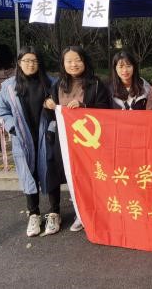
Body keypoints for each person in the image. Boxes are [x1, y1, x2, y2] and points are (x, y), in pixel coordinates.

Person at [44, 46, 113, 232]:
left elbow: (105, 109)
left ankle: (87, 213)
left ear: (85, 62)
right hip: (64, 140)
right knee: (68, 175)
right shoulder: (57, 85)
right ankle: (70, 211)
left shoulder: (96, 84)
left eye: (77, 60)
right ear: (63, 64)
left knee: (88, 177)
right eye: (69, 61)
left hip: (88, 141)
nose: (73, 64)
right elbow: (52, 115)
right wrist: (48, 105)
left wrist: (84, 106)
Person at [0, 46, 57, 237]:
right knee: (28, 175)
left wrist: (53, 121)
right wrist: (13, 127)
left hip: (47, 136)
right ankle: (34, 214)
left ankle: (54, 212)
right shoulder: (9, 86)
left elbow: (62, 109)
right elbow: (1, 110)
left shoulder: (52, 83)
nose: (31, 64)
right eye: (26, 61)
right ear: (19, 63)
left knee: (51, 172)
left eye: (34, 61)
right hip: (23, 139)